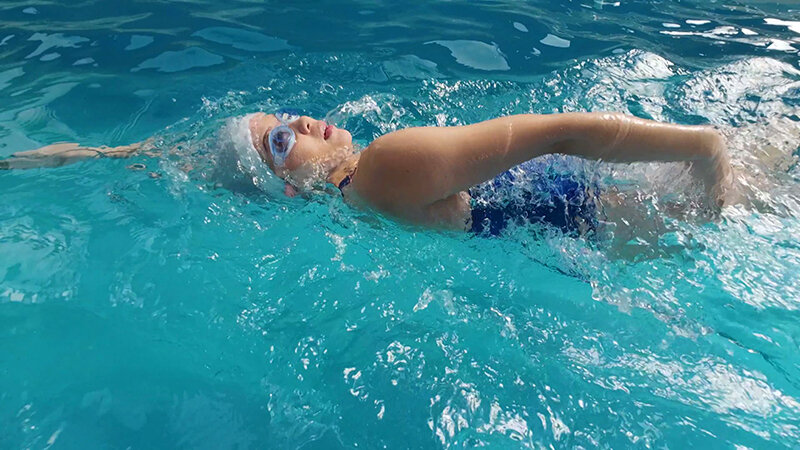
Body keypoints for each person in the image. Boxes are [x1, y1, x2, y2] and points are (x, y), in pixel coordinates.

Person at [0, 110, 733, 235]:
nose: (304, 124)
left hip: (608, 229)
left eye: (285, 115)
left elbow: (177, 159)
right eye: (280, 139)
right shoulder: (389, 164)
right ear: (286, 186)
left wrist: (88, 155)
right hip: (634, 213)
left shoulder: (361, 204)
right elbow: (565, 131)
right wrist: (703, 148)